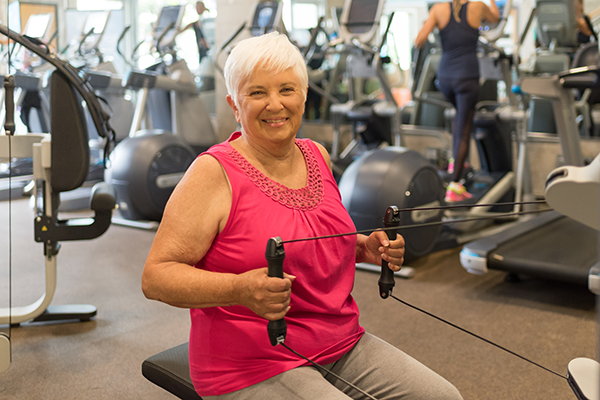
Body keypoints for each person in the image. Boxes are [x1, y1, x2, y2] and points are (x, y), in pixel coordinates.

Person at [142, 32, 464, 400]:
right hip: (249, 364)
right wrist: (238, 289)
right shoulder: (213, 174)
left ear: (304, 96)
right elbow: (156, 277)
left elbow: (312, 238)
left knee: (443, 397)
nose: (274, 104)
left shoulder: (317, 156)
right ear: (235, 103)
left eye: (286, 90)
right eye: (257, 92)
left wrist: (363, 247)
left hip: (340, 343)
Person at [415, 0, 500, 202]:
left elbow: (419, 40)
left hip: (444, 79)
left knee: (459, 119)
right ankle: (455, 186)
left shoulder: (438, 9)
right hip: (467, 77)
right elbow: (495, 19)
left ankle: (457, 163)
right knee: (464, 130)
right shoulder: (478, 6)